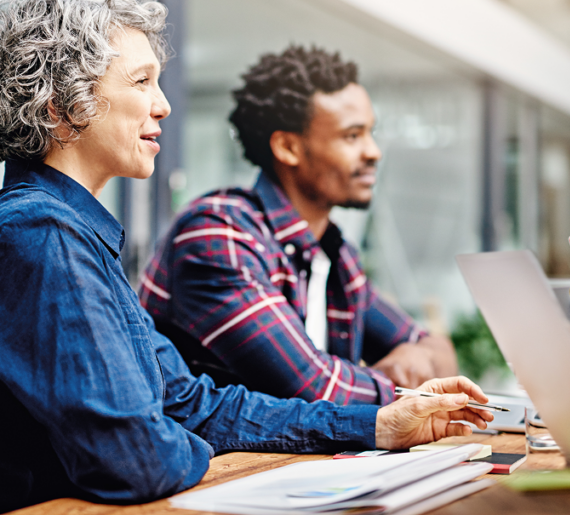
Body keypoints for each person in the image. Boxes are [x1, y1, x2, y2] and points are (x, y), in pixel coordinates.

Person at [0, 0, 491, 512]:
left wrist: (378, 423)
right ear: (61, 105)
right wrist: (174, 433)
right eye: (141, 81)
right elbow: (141, 458)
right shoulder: (43, 231)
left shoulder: (72, 232)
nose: (163, 104)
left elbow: (191, 404)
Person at [139, 45, 457, 406]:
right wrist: (402, 380)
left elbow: (437, 351)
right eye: (352, 136)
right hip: (222, 462)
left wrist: (418, 362)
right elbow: (316, 392)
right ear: (288, 147)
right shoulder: (219, 234)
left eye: (371, 133)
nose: (373, 152)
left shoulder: (335, 254)